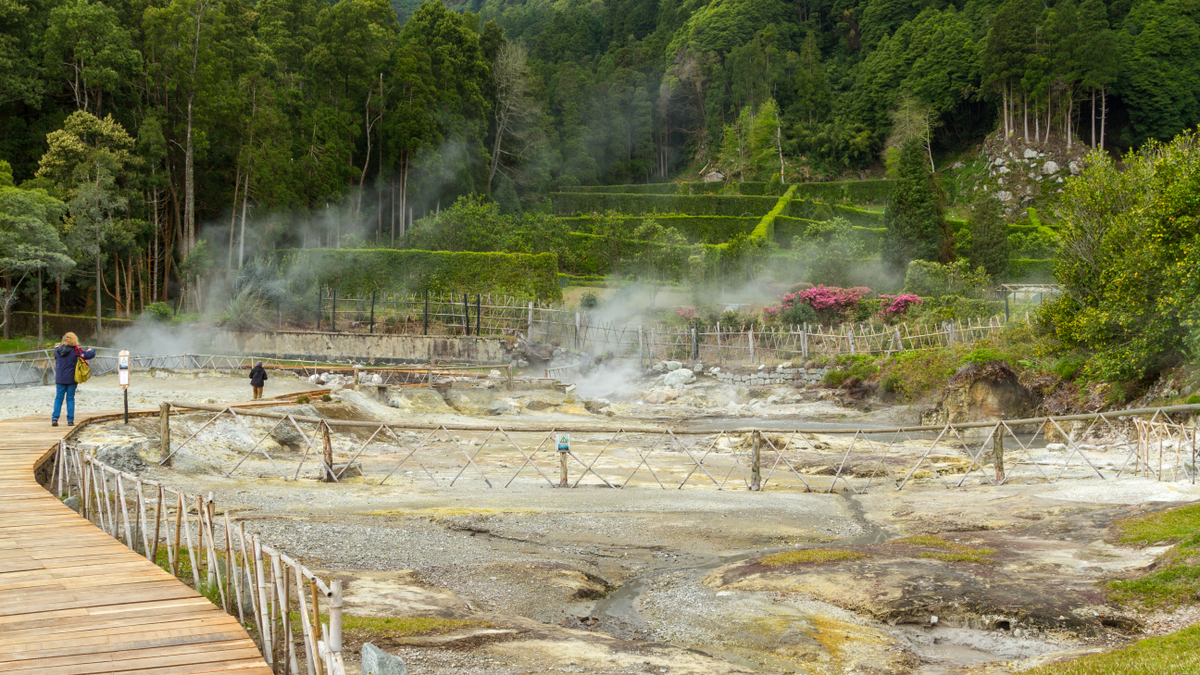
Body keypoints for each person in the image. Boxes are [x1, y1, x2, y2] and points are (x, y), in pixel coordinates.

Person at [52, 332, 95, 427]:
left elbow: (57, 354)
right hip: (71, 378)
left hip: (60, 378)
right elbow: (89, 355)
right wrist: (92, 350)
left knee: (58, 398)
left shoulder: (57, 351)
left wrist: (57, 347)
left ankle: (55, 419)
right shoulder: (76, 351)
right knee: (70, 398)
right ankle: (70, 420)